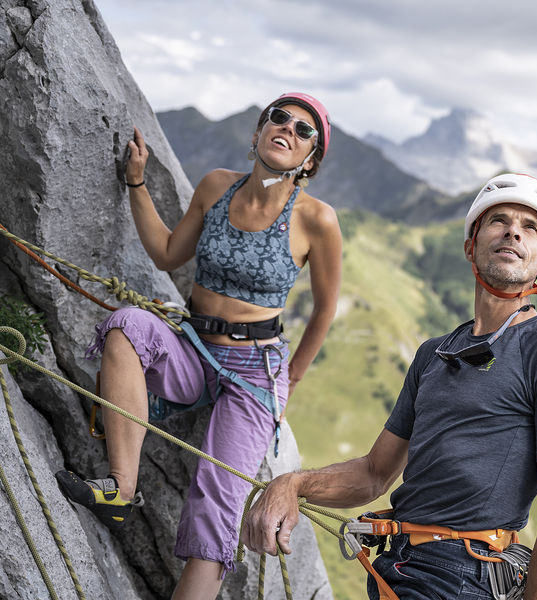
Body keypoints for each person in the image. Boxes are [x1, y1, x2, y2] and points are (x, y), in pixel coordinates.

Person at [241, 173, 537, 600]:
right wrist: (292, 484)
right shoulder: (435, 353)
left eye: (531, 228)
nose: (513, 232)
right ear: (471, 244)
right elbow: (375, 473)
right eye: (499, 220)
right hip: (396, 567)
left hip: (468, 575)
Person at [54, 92, 343, 599]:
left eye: (304, 131)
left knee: (215, 503)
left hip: (256, 368)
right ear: (257, 133)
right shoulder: (215, 186)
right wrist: (136, 183)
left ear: (310, 160)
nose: (288, 130)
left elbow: (323, 310)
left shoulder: (317, 220)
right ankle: (120, 489)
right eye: (279, 119)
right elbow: (168, 253)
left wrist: (289, 379)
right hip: (194, 346)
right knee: (126, 326)